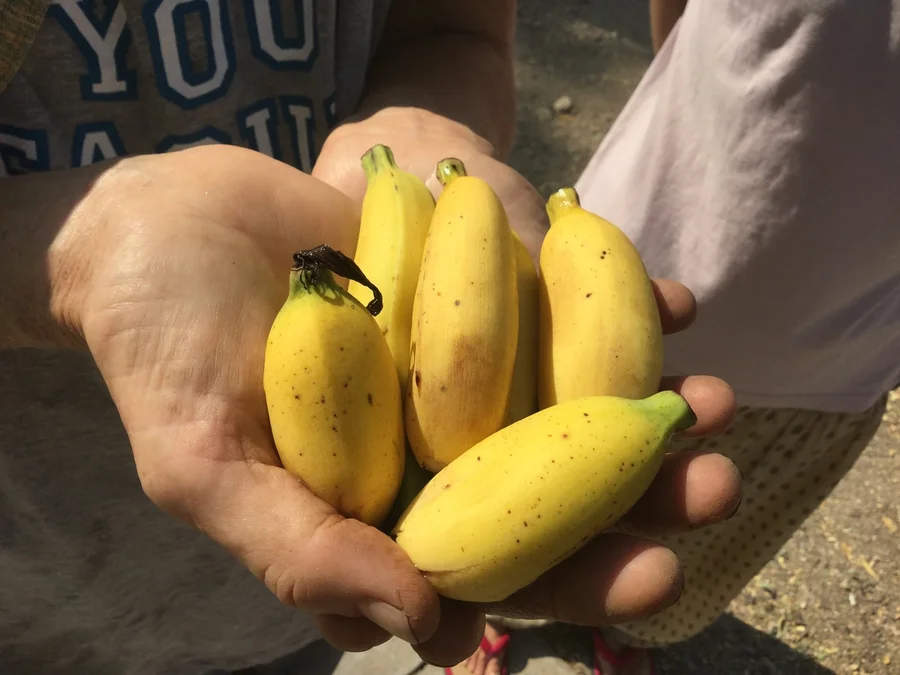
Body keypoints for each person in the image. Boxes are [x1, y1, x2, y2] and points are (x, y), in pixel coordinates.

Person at [0, 1, 742, 674]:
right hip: (31, 582)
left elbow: (453, 31)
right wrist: (73, 259)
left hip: (286, 617)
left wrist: (421, 126)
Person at [561, 0, 900, 673]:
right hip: (633, 281)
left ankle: (623, 636)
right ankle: (499, 616)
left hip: (838, 362)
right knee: (526, 516)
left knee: (687, 557)